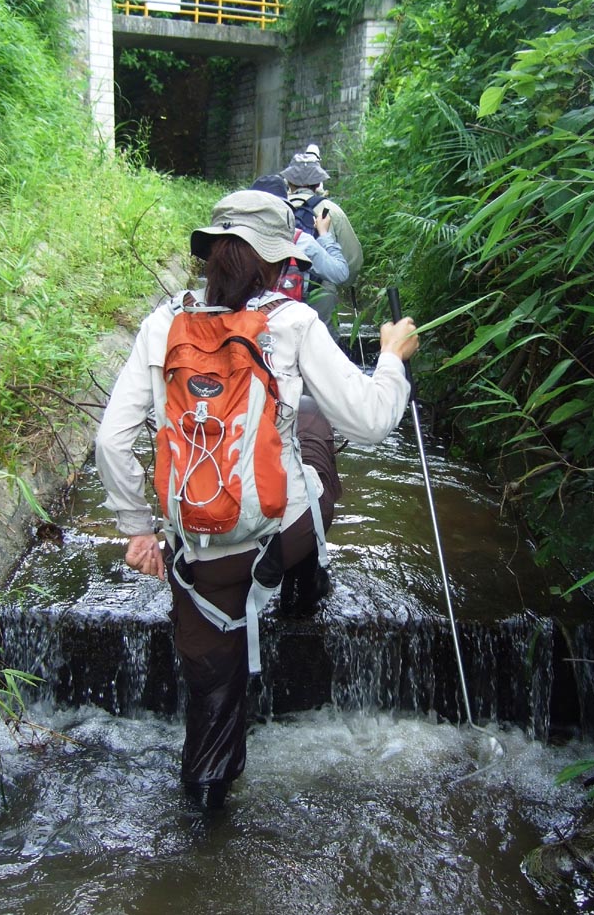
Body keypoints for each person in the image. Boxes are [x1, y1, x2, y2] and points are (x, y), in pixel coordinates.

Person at [94, 189, 418, 810]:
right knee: (316, 432)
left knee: (211, 709)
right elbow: (374, 422)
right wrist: (391, 357)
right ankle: (302, 585)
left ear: (210, 253)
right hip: (282, 533)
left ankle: (205, 819)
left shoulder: (162, 325)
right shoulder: (293, 322)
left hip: (202, 558)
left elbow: (112, 440)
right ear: (277, 262)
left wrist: (138, 528)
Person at [279, 150, 363, 334]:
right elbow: (353, 260)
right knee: (322, 344)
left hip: (279, 291)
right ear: (318, 183)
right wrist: (342, 281)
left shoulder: (276, 207)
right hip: (321, 290)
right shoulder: (331, 211)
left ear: (289, 181)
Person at [250, 173, 349, 299]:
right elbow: (340, 274)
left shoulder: (235, 239)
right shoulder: (300, 240)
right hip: (287, 315)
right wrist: (324, 234)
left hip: (241, 316)